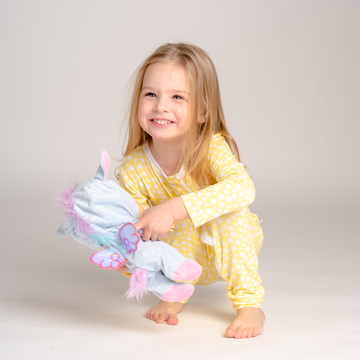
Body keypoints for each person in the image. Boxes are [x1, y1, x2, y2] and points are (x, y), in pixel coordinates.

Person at [115, 43, 265, 339]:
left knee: (229, 212)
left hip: (223, 251)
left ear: (203, 111)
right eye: (151, 94)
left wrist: (171, 209)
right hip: (181, 262)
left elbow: (243, 188)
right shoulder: (133, 168)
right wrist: (120, 249)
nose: (161, 106)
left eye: (178, 97)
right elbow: (138, 228)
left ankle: (250, 305)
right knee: (149, 223)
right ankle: (174, 293)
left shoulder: (210, 148)